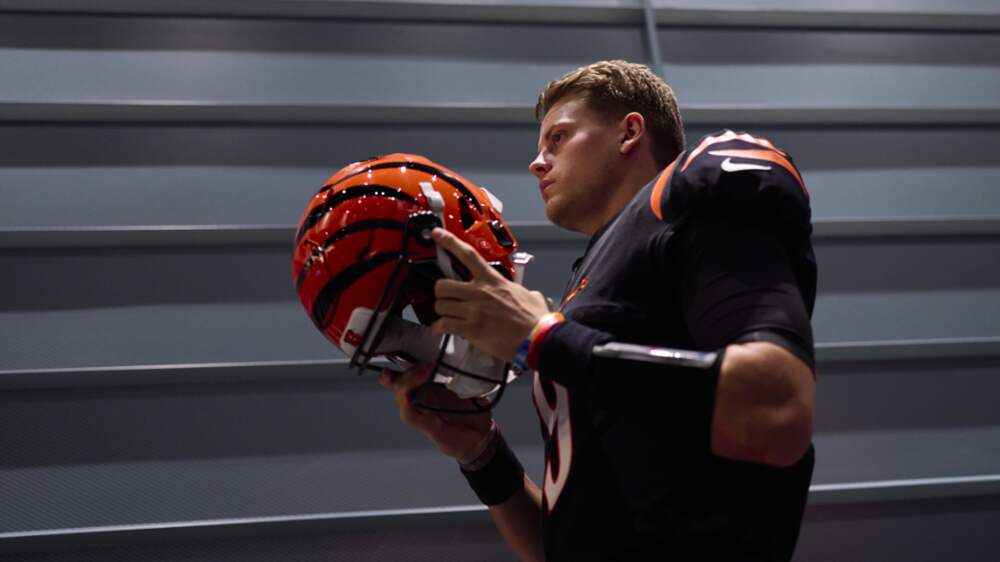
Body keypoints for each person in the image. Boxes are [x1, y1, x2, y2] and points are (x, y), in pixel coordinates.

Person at [379, 60, 817, 561]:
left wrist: (541, 338)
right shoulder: (588, 277)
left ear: (629, 132)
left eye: (558, 138)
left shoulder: (686, 199)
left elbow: (777, 406)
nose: (537, 163)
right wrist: (481, 453)